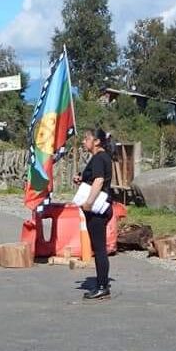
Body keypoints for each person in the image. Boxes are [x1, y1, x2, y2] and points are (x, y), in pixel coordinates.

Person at [73, 128, 114, 300]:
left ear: (97, 141)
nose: (84, 141)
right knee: (98, 248)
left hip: (96, 209)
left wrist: (88, 202)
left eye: (86, 138)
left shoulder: (99, 157)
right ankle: (101, 283)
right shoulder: (103, 157)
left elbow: (98, 180)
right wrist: (82, 180)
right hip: (100, 207)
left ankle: (102, 286)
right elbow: (94, 179)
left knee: (99, 249)